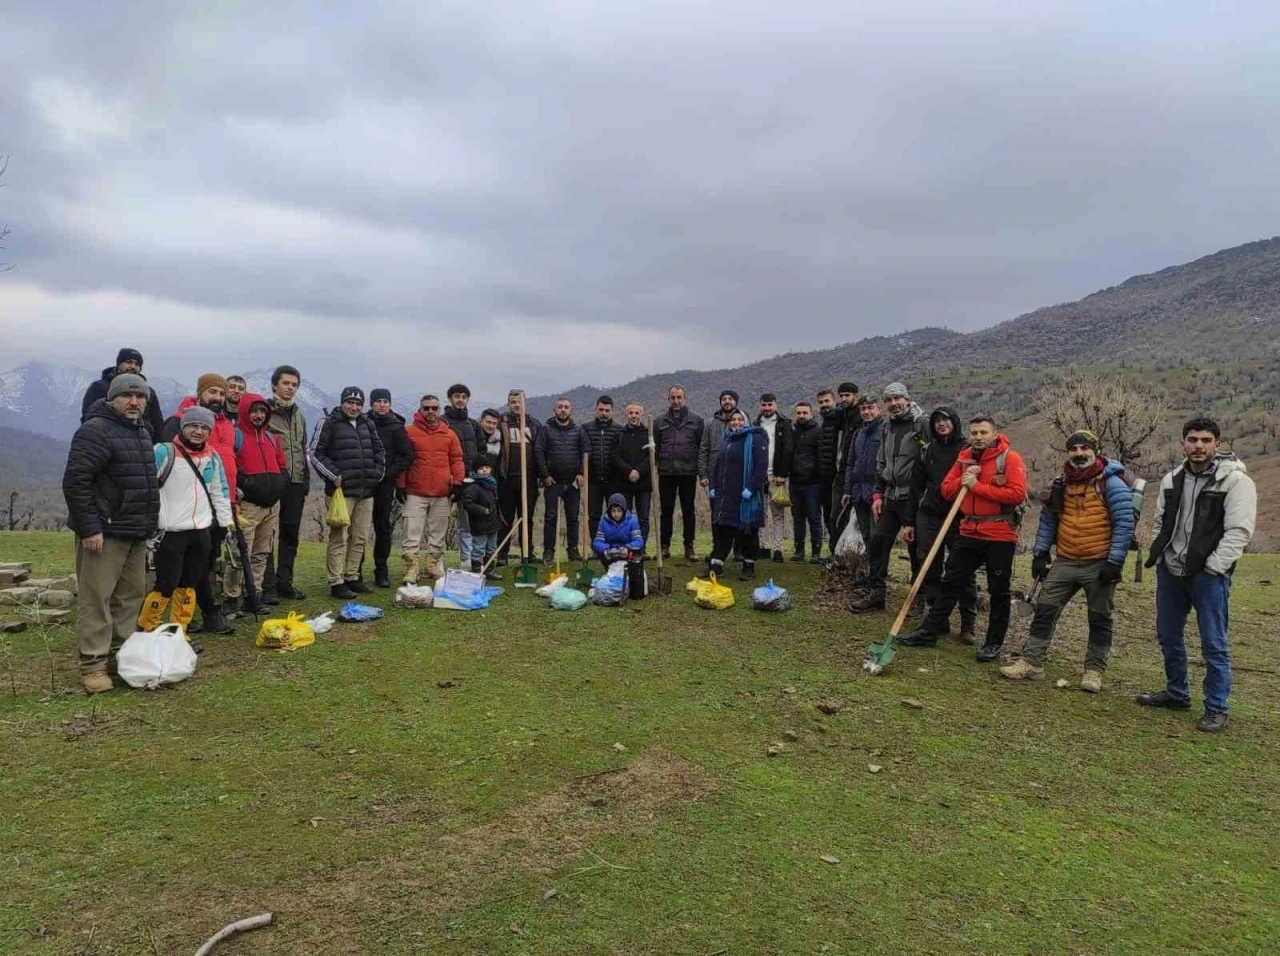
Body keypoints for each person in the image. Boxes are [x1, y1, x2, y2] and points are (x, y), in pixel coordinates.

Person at [1137, 417, 1256, 733]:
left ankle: (1216, 707)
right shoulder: (1171, 479)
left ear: (1217, 443)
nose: (1198, 446)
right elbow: (1162, 521)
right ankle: (1177, 693)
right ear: (1183, 444)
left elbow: (1239, 531)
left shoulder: (1234, 481)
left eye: (1205, 440)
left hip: (1208, 575)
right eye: (1192, 440)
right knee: (1168, 635)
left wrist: (1215, 566)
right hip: (1171, 570)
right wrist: (1161, 554)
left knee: (1213, 643)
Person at [1001, 429, 1134, 690]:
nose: (1079, 453)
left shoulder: (1112, 483)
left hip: (1099, 561)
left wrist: (1114, 561)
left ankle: (1094, 672)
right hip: (1065, 560)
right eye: (1073, 449)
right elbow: (1048, 520)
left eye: (1084, 448)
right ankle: (1032, 663)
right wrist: (1040, 553)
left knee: (1099, 618)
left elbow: (1124, 524)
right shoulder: (1061, 484)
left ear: (1095, 451)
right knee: (1045, 608)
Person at [899, 416, 1027, 662]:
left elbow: (1017, 494)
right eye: (974, 432)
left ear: (994, 433)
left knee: (998, 590)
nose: (978, 437)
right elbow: (946, 490)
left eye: (983, 432)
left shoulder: (1010, 458)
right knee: (952, 581)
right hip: (969, 530)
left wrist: (976, 486)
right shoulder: (964, 457)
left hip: (999, 532)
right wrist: (964, 478)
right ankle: (929, 631)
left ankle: (993, 642)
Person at [63, 374, 160, 694]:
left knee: (130, 598)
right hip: (104, 532)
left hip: (135, 530)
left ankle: (122, 658)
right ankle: (93, 665)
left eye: (140, 396)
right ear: (113, 398)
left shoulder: (142, 430)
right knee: (97, 599)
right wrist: (90, 527)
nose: (135, 401)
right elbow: (77, 482)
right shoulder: (95, 431)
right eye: (127, 396)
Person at [139, 407, 235, 646]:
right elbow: (147, 488)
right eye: (193, 426)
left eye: (204, 428)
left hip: (201, 531)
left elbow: (219, 491)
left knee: (189, 584)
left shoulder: (212, 457)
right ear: (183, 427)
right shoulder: (163, 452)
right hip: (170, 531)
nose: (198, 431)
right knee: (166, 585)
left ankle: (178, 633)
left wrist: (226, 524)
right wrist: (150, 524)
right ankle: (146, 630)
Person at [162, 374, 238, 634]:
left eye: (221, 393)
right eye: (212, 392)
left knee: (205, 562)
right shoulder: (176, 423)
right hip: (182, 512)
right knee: (184, 568)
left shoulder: (224, 424)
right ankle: (199, 615)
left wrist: (228, 504)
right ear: (200, 392)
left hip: (216, 506)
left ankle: (196, 614)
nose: (217, 398)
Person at [904, 407, 977, 642]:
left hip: (959, 516)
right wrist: (909, 521)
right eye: (936, 421)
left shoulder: (968, 451)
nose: (941, 424)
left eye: (945, 420)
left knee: (962, 569)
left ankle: (968, 624)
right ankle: (938, 620)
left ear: (954, 422)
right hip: (929, 515)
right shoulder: (927, 451)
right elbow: (915, 488)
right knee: (929, 567)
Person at [852, 382, 926, 614]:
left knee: (916, 550)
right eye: (889, 400)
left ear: (906, 398)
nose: (894, 403)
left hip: (914, 498)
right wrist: (877, 493)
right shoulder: (888, 427)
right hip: (889, 496)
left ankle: (918, 599)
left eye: (898, 398)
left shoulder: (921, 424)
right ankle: (877, 594)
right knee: (878, 543)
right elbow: (881, 463)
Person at [309, 386, 386, 598]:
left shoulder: (367, 424)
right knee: (339, 537)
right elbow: (315, 454)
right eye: (350, 402)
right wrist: (334, 476)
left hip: (366, 490)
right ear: (343, 402)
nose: (353, 407)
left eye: (358, 404)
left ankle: (352, 576)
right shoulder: (329, 423)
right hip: (341, 492)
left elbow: (379, 451)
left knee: (360, 537)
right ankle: (336, 581)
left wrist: (377, 474)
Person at [229, 393, 289, 614]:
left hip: (272, 505)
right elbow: (231, 466)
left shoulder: (272, 438)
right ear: (245, 411)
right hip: (249, 506)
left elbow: (282, 466)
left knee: (261, 552)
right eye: (254, 411)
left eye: (262, 411)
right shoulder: (237, 436)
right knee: (240, 552)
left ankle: (253, 595)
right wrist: (248, 484)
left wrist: (280, 484)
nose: (258, 415)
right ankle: (232, 596)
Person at [397, 395, 464, 583]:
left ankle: (433, 565)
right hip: (415, 491)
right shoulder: (408, 431)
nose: (431, 412)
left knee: (439, 532)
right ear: (420, 409)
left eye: (434, 408)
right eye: (427, 408)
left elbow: (457, 460)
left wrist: (458, 483)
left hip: (442, 492)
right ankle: (411, 568)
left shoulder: (450, 434)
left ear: (439, 410)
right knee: (411, 531)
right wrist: (400, 485)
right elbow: (403, 460)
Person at [264, 365, 308, 600]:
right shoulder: (265, 412)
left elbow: (302, 448)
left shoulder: (300, 415)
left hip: (296, 482)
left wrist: (305, 480)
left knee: (290, 534)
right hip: (272, 481)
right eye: (286, 383)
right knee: (268, 534)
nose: (290, 388)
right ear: (275, 385)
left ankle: (285, 582)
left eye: (294, 384)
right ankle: (268, 585)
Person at [707, 409, 769, 580]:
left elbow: (761, 466)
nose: (736, 422)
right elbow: (718, 466)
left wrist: (753, 487)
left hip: (745, 495)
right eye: (733, 419)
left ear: (747, 421)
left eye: (740, 419)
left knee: (747, 532)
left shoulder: (756, 438)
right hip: (726, 494)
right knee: (723, 530)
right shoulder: (727, 440)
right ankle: (716, 565)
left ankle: (749, 566)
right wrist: (713, 486)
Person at [368, 388, 414, 588]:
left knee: (382, 527)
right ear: (371, 404)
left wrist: (389, 473)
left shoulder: (397, 427)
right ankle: (353, 573)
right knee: (357, 529)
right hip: (362, 482)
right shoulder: (362, 423)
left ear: (390, 404)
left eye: (385, 401)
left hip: (385, 484)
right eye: (377, 401)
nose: (381, 404)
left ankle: (381, 571)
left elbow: (407, 455)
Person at [535, 397, 589, 563]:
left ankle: (573, 550)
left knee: (573, 518)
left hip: (573, 483)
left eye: (566, 407)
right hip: (553, 482)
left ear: (570, 410)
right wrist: (545, 475)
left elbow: (586, 451)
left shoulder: (578, 430)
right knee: (551, 518)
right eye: (560, 407)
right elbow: (538, 452)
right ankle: (548, 551)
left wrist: (581, 473)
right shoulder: (546, 430)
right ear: (555, 410)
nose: (563, 410)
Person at [654, 384, 703, 562]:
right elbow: (656, 448)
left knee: (688, 510)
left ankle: (689, 546)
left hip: (688, 472)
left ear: (685, 398)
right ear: (668, 399)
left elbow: (700, 447)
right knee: (666, 510)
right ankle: (665, 546)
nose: (676, 401)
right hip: (666, 472)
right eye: (673, 397)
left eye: (679, 397)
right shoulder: (659, 422)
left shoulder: (696, 421)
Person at [497, 391, 544, 564]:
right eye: (513, 402)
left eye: (519, 402)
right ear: (508, 404)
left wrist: (542, 474)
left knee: (527, 518)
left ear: (525, 403)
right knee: (506, 518)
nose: (517, 405)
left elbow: (540, 451)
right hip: (507, 479)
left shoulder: (535, 424)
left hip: (529, 480)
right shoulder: (502, 423)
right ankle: (502, 555)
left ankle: (527, 554)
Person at [79, 348, 166, 439]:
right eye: (129, 362)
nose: (132, 366)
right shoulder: (99, 387)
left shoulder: (149, 392)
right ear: (119, 364)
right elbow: (88, 418)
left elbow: (158, 425)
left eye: (137, 364)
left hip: (142, 445)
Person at [444, 384, 484, 565]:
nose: (460, 399)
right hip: (449, 480)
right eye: (456, 396)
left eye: (463, 396)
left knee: (467, 521)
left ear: (467, 399)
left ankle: (466, 559)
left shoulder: (474, 425)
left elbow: (481, 451)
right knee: (440, 520)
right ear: (450, 399)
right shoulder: (443, 422)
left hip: (471, 480)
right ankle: (436, 560)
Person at [840, 396, 883, 551]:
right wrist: (847, 490)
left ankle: (878, 572)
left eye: (870, 408)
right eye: (863, 408)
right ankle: (870, 570)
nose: (866, 412)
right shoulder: (858, 434)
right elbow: (850, 463)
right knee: (865, 534)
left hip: (876, 493)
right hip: (858, 493)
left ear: (879, 409)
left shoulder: (885, 431)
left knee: (877, 535)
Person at [755, 393, 793, 563]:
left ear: (775, 405)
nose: (767, 408)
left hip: (777, 476)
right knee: (760, 513)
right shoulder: (756, 424)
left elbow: (788, 449)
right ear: (760, 406)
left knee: (777, 514)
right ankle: (764, 547)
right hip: (759, 475)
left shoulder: (784, 424)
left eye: (770, 405)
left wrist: (782, 474)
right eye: (764, 405)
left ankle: (778, 549)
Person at [787, 401, 824, 563]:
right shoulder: (792, 432)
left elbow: (821, 456)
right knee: (798, 517)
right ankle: (799, 550)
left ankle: (816, 552)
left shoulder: (818, 432)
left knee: (814, 517)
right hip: (795, 482)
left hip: (813, 483)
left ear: (811, 414)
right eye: (799, 413)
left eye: (804, 413)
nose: (801, 416)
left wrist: (817, 474)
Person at [614, 402, 652, 551]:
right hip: (624, 482)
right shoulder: (620, 434)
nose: (634, 416)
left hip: (644, 483)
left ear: (641, 414)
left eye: (636, 413)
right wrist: (629, 471)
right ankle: (627, 548)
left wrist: (638, 472)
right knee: (625, 517)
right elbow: (615, 456)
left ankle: (640, 548)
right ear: (626, 414)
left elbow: (651, 457)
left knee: (643, 518)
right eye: (631, 413)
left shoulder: (648, 433)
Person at [582, 395, 621, 540]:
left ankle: (613, 544)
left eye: (607, 410)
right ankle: (596, 546)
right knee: (594, 516)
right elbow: (582, 453)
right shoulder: (585, 429)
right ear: (596, 409)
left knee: (615, 514)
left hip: (613, 481)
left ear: (612, 411)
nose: (604, 413)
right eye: (601, 409)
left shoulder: (619, 430)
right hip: (593, 481)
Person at [460, 454, 503, 579]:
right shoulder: (472, 487)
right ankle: (476, 571)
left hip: (493, 523)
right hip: (479, 524)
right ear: (475, 470)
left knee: (492, 548)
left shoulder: (492, 485)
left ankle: (489, 571)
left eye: (487, 467)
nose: (484, 470)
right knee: (478, 548)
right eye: (481, 468)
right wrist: (483, 510)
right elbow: (468, 504)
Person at [815, 388, 843, 553]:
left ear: (833, 401)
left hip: (837, 477)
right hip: (824, 479)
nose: (824, 405)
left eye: (827, 401)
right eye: (821, 402)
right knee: (828, 517)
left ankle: (839, 552)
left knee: (836, 517)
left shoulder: (839, 419)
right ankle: (834, 552)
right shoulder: (825, 421)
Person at [699, 389, 740, 495]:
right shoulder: (710, 423)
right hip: (715, 474)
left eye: (730, 399)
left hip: (737, 474)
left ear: (736, 402)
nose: (727, 401)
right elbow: (704, 449)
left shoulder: (743, 421)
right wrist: (703, 475)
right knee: (716, 507)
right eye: (724, 399)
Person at [593, 492, 645, 569]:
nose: (616, 514)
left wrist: (627, 548)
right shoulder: (603, 522)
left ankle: (634, 571)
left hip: (627, 553)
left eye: (619, 511)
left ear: (624, 510)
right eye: (613, 511)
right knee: (602, 553)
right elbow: (597, 542)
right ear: (609, 511)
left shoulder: (632, 521)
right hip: (610, 554)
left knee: (637, 551)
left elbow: (639, 540)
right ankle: (610, 570)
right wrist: (606, 549)